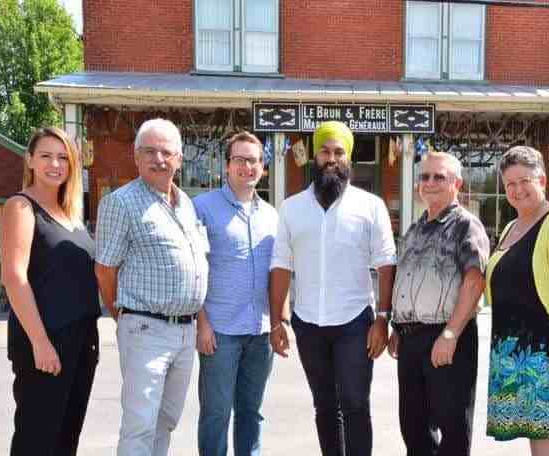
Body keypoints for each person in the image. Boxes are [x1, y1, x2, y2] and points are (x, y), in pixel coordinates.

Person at [268, 121, 397, 456]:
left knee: (355, 404)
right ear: (314, 155)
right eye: (325, 151)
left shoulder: (371, 206)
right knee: (324, 407)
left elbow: (386, 263)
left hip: (355, 323)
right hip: (308, 323)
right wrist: (277, 321)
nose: (331, 158)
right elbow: (281, 264)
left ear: (349, 158)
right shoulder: (291, 208)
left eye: (339, 152)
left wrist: (383, 319)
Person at [95, 118, 209, 456]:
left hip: (184, 332)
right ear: (135, 156)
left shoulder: (186, 203)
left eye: (166, 152)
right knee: (140, 425)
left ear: (179, 157)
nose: (158, 159)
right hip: (146, 328)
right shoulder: (121, 203)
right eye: (149, 151)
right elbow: (104, 270)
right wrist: (125, 317)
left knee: (166, 421)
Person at [1, 127, 101, 456]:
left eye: (63, 158)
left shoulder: (72, 215)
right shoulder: (21, 207)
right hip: (46, 342)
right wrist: (41, 343)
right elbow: (15, 277)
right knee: (37, 440)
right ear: (30, 160)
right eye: (45, 156)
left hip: (82, 340)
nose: (55, 164)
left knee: (65, 439)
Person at [485, 146, 549, 456]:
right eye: (510, 184)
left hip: (545, 339)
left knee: (543, 425)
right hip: (514, 342)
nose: (517, 190)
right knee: (532, 424)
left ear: (542, 179)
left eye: (524, 181)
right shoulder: (510, 227)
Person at [387, 152, 490, 456]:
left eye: (439, 177)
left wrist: (450, 334)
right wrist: (398, 326)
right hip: (410, 340)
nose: (430, 183)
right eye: (425, 176)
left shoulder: (465, 226)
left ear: (457, 183)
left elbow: (474, 283)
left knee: (453, 428)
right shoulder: (414, 229)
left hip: (447, 337)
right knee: (414, 428)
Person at [193, 131, 278, 456]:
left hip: (260, 333)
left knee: (251, 413)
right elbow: (195, 270)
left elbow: (278, 274)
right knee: (216, 414)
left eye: (254, 160)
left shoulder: (271, 215)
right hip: (220, 331)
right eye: (240, 159)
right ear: (227, 166)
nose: (247, 166)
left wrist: (279, 322)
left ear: (262, 167)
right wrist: (202, 323)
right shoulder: (202, 208)